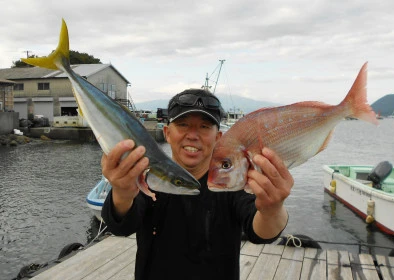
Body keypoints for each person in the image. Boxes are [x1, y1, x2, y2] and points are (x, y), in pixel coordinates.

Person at [101, 88, 293, 280]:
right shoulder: (149, 180)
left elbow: (260, 232)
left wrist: (272, 210)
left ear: (218, 138)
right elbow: (121, 226)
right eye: (183, 124)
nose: (193, 135)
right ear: (167, 133)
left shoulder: (230, 183)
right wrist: (122, 193)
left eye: (204, 126)